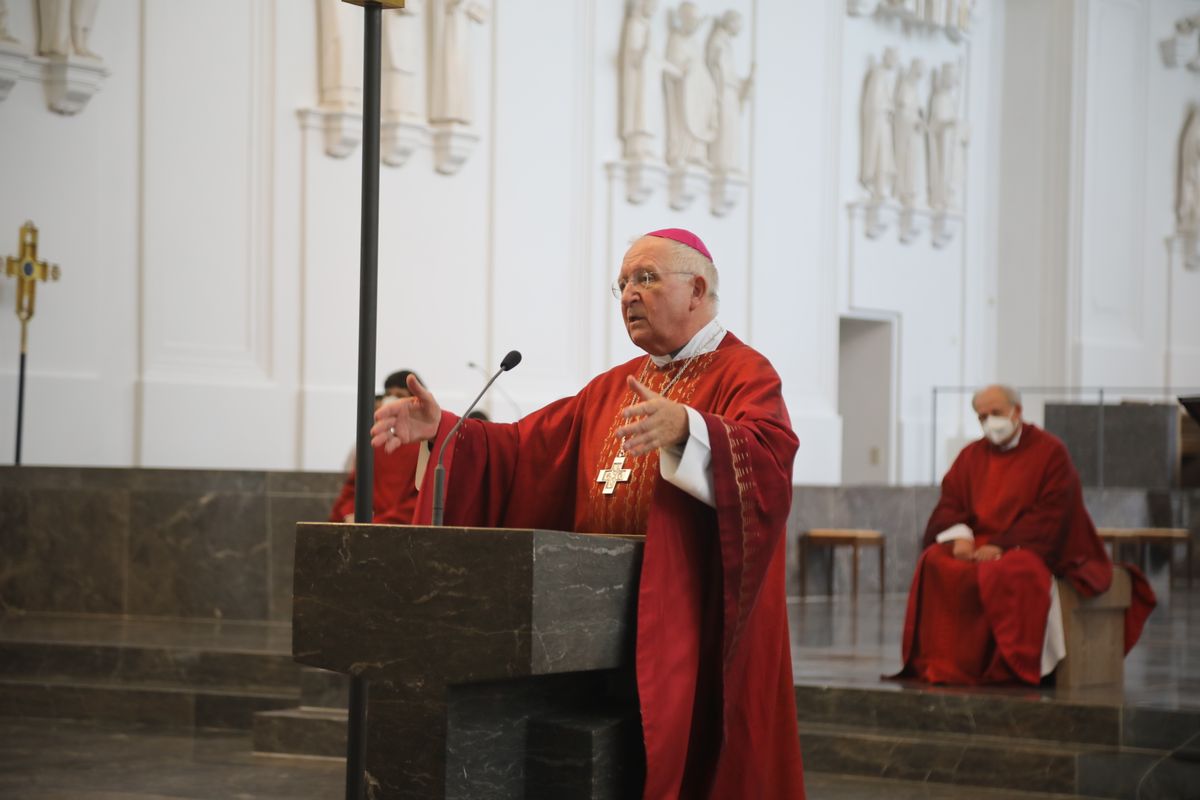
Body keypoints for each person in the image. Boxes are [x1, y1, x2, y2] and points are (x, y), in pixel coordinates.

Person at [372, 229, 805, 799]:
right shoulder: (614, 387)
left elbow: (769, 461)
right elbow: (525, 451)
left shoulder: (744, 372)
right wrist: (448, 431)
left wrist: (691, 429)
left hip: (689, 622)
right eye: (622, 283)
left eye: (645, 278)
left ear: (697, 288)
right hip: (596, 621)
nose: (628, 294)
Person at [896, 385, 1156, 686]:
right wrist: (960, 537)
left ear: (1016, 411)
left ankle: (1008, 665)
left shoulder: (1049, 451)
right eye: (982, 417)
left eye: (995, 413)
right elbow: (951, 502)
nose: (989, 422)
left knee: (1014, 571)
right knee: (935, 561)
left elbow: (1053, 512)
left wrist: (1001, 545)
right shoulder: (971, 456)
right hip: (978, 544)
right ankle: (946, 662)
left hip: (1028, 545)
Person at [329, 370, 429, 525]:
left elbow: (422, 500)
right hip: (367, 526)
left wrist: (377, 522)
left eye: (400, 395)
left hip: (401, 531)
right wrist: (349, 514)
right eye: (388, 394)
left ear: (415, 401)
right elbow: (353, 490)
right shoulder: (376, 443)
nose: (392, 400)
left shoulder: (426, 446)